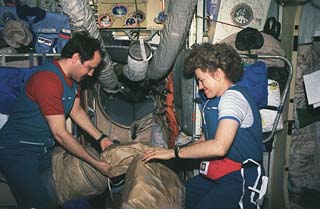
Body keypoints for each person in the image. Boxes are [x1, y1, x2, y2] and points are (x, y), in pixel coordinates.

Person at [142, 42, 266, 209]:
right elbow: (205, 140)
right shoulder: (211, 102)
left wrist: (173, 153)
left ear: (218, 74)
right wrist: (167, 154)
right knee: (178, 197)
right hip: (217, 173)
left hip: (240, 177)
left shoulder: (233, 98)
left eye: (201, 80)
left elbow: (219, 147)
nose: (199, 87)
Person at [0, 31, 113, 209]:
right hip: (18, 149)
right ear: (76, 58)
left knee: (55, 195)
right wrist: (96, 164)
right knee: (38, 204)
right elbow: (60, 134)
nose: (91, 74)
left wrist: (102, 139)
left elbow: (76, 111)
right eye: (90, 67)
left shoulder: (74, 79)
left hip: (42, 148)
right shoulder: (48, 80)